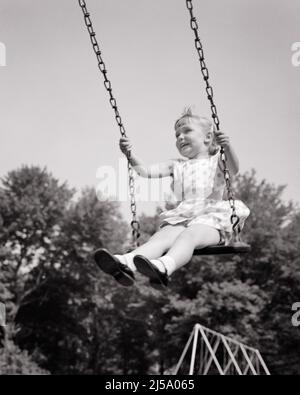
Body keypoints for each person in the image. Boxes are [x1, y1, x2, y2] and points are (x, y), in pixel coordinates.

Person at [94, 108, 250, 289]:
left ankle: (164, 266)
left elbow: (233, 168)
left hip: (211, 220)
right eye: (177, 135)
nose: (180, 137)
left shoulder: (216, 161)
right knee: (160, 238)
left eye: (187, 131)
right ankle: (125, 263)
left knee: (188, 236)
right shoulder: (176, 165)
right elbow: (145, 171)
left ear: (208, 137)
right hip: (183, 217)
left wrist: (227, 147)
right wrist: (129, 154)